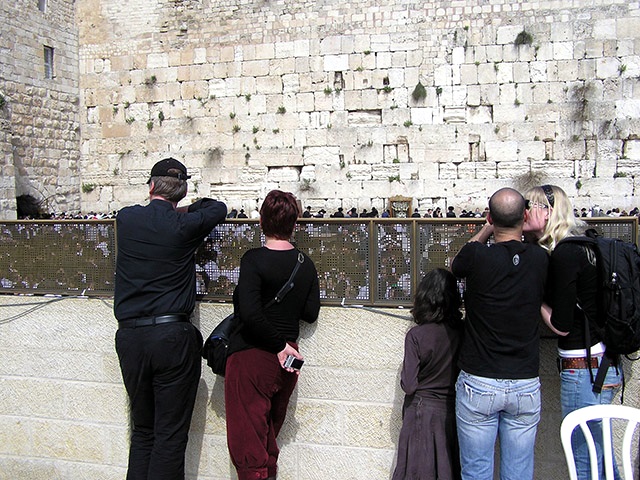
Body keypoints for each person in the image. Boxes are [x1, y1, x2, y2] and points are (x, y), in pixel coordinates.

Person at [114, 157, 227, 480]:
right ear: (182, 191)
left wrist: (171, 207)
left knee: (142, 432)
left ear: (151, 186)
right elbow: (217, 208)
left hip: (131, 337)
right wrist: (183, 208)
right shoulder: (183, 226)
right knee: (169, 437)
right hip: (171, 337)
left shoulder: (127, 218)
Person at [525, 184, 623, 480]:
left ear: (547, 211)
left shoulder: (566, 254)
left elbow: (562, 324)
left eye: (530, 206)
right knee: (601, 460)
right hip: (603, 363)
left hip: (584, 369)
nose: (524, 212)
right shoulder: (585, 245)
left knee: (585, 463)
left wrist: (534, 298)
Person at [451, 187, 548, 480]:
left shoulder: (477, 256)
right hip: (524, 381)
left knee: (476, 471)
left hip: (479, 380)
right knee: (518, 473)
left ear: (490, 217)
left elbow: (457, 264)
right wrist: (531, 229)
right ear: (525, 216)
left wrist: (486, 228)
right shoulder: (540, 258)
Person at [225, 190, 321, 480]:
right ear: (294, 224)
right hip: (289, 361)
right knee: (266, 440)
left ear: (261, 221)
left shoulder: (253, 260)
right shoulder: (305, 264)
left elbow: (250, 313)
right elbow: (310, 313)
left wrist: (277, 344)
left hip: (254, 356)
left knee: (249, 444)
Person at [392, 268, 463, 480]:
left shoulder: (416, 335)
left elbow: (409, 385)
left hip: (421, 412)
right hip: (452, 411)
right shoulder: (463, 332)